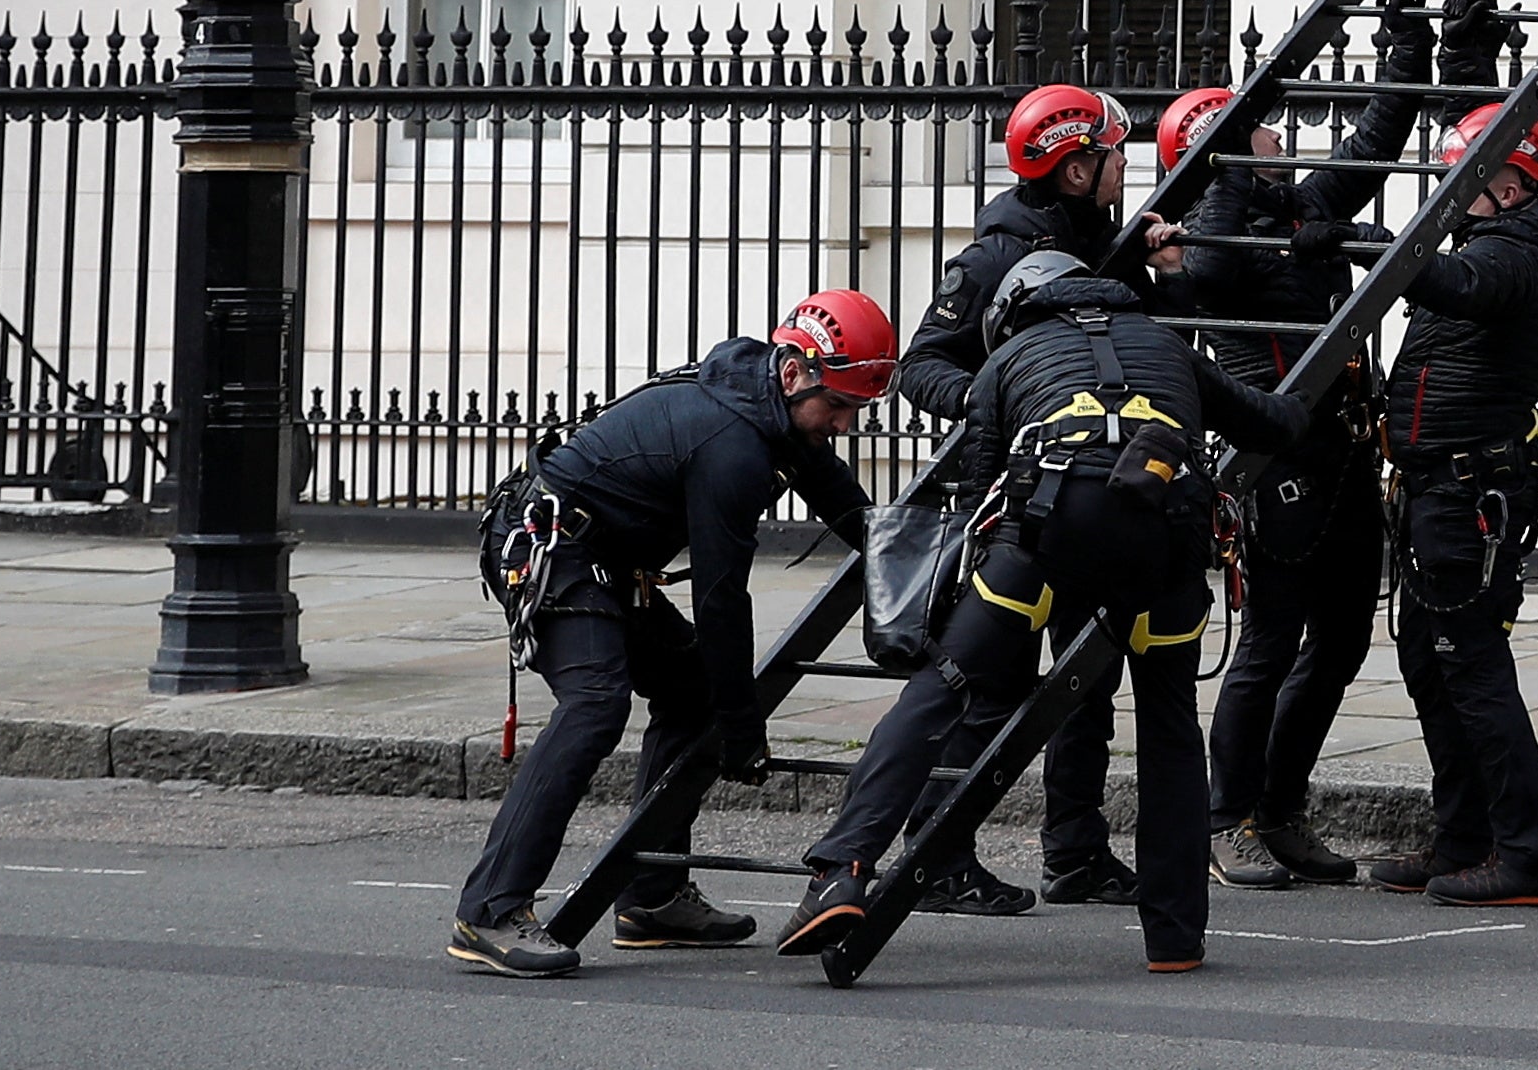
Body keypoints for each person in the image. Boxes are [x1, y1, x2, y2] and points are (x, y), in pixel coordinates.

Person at [781, 247, 1298, 976]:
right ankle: (1175, 937)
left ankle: (842, 866)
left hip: (1051, 531)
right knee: (1171, 723)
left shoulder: (1011, 357)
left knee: (940, 689)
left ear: (1013, 312)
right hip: (1168, 534)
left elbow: (982, 491)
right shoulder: (1165, 345)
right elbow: (1276, 423)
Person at [1172, 0, 1509, 889]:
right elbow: (1211, 264)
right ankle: (1228, 817)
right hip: (1275, 460)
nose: (1283, 140)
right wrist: (1234, 161)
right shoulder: (1219, 228)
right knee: (1272, 641)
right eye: (1264, 131)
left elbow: (1368, 150)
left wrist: (1403, 55)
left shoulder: (1289, 208)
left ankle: (1281, 809)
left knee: (1345, 639)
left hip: (1349, 453)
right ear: (1226, 147)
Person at [445, 290, 885, 979]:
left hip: (604, 557)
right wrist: (743, 728)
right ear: (796, 371)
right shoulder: (734, 445)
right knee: (596, 702)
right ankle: (490, 911)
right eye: (838, 407)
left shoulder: (774, 414)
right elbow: (719, 602)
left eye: (857, 410)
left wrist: (925, 556)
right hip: (549, 545)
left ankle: (651, 897)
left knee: (691, 694)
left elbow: (853, 513)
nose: (845, 425)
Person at [894, 79, 1184, 906]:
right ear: (1072, 169)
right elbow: (922, 366)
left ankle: (1076, 853)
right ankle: (938, 858)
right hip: (1016, 499)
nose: (1126, 164)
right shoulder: (995, 256)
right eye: (1111, 154)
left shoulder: (1105, 240)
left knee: (1086, 681)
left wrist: (1161, 272)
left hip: (1093, 489)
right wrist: (1006, 397)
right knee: (990, 686)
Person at [1366, 94, 1538, 905]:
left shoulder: (1514, 254)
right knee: (1431, 665)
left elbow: (1458, 285)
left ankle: (1524, 855)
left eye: (1466, 180)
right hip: (1434, 492)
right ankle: (1463, 837)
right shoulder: (1496, 238)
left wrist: (1371, 247)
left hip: (1467, 497)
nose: (1450, 192)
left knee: (1474, 671)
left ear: (1510, 186)